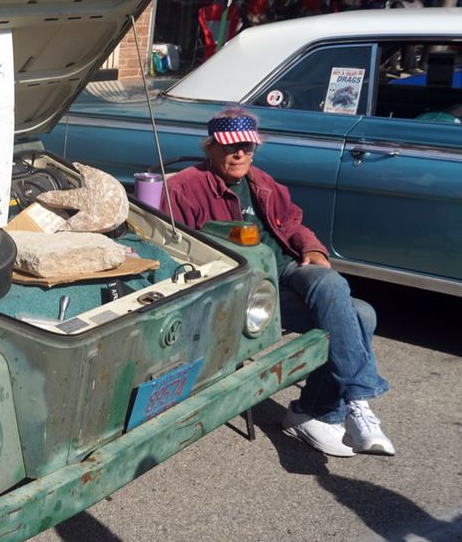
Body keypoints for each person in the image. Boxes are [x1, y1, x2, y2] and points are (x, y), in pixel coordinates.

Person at [161, 107, 395, 458]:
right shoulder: (183, 187)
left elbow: (293, 223)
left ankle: (343, 405)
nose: (240, 154)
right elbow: (174, 249)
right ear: (210, 147)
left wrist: (311, 246)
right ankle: (328, 409)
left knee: (330, 285)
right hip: (245, 290)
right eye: (229, 147)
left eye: (247, 147)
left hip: (284, 269)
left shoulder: (262, 182)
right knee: (361, 314)